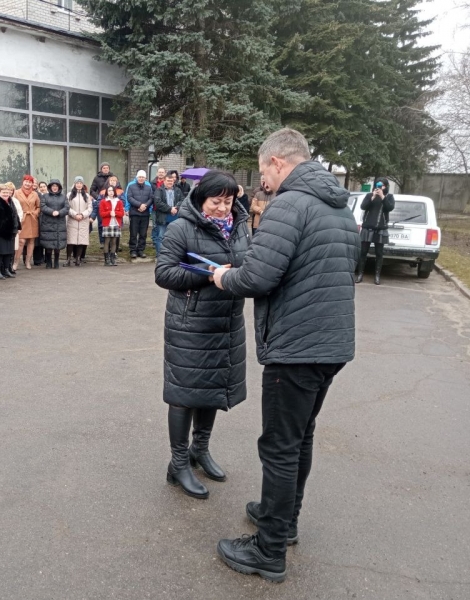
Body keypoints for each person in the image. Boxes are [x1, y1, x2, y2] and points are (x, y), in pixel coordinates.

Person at [211, 128, 359, 583]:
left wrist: (222, 277)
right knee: (301, 437)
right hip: (331, 343)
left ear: (277, 161)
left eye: (263, 173)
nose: (264, 183)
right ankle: (284, 518)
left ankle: (269, 549)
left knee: (278, 445)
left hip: (296, 346)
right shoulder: (339, 207)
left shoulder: (290, 205)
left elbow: (258, 277)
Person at [155, 170, 251, 500]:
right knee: (184, 393)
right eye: (216, 202)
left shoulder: (240, 226)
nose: (223, 208)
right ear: (200, 200)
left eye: (229, 201)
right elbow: (164, 272)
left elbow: (247, 262)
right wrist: (209, 276)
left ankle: (200, 450)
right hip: (190, 324)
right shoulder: (182, 227)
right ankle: (178, 463)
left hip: (226, 321)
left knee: (211, 388)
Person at [356, 178, 395, 285]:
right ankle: (360, 275)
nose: (379, 187)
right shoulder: (369, 195)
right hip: (367, 227)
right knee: (363, 252)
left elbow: (390, 208)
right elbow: (363, 206)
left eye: (382, 185)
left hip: (381, 228)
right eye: (378, 185)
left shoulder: (389, 197)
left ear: (386, 186)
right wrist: (373, 197)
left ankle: (377, 276)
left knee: (379, 253)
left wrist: (382, 196)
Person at [152, 172, 185, 256]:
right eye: (168, 181)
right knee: (161, 237)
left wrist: (176, 208)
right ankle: (160, 255)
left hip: (175, 218)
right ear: (164, 181)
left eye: (171, 181)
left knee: (174, 238)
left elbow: (182, 200)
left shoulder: (177, 190)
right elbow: (158, 203)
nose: (170, 182)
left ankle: (172, 255)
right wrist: (170, 209)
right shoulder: (159, 190)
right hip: (163, 217)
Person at [39, 179, 69, 269]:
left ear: (59, 187)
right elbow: (43, 206)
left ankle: (56, 262)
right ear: (50, 187)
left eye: (56, 186)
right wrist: (52, 212)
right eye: (53, 186)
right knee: (48, 244)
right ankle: (48, 262)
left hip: (59, 223)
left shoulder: (63, 197)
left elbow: (67, 208)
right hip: (47, 223)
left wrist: (59, 212)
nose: (54, 188)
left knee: (58, 244)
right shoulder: (45, 196)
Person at [14, 174, 40, 270]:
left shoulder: (35, 194)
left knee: (31, 241)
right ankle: (16, 261)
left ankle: (28, 261)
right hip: (22, 219)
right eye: (26, 181)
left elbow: (38, 206)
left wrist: (35, 213)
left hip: (32, 219)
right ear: (23, 182)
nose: (28, 184)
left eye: (30, 182)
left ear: (32, 184)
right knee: (21, 241)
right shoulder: (17, 193)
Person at [126, 170, 153, 259]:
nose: (141, 179)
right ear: (137, 178)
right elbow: (129, 197)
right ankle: (133, 250)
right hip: (134, 213)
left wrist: (145, 205)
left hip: (145, 213)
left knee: (143, 233)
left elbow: (151, 198)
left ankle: (141, 250)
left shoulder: (149, 187)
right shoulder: (131, 186)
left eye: (143, 177)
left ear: (145, 178)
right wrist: (139, 205)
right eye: (140, 177)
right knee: (133, 233)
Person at [66, 176, 92, 266]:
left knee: (81, 240)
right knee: (70, 241)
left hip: (83, 220)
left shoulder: (87, 196)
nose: (79, 185)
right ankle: (68, 259)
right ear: (75, 184)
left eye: (81, 183)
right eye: (77, 183)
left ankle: (78, 258)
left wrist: (83, 215)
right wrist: (75, 214)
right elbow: (67, 207)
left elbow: (90, 208)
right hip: (72, 220)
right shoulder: (69, 195)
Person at [98, 185, 125, 266]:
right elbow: (101, 213)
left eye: (112, 190)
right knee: (107, 241)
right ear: (107, 192)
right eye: (109, 190)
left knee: (114, 242)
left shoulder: (119, 201)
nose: (111, 192)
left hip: (116, 223)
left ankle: (113, 258)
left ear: (114, 192)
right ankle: (106, 259)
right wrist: (109, 213)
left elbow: (122, 213)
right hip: (107, 223)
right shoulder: (103, 201)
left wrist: (115, 213)